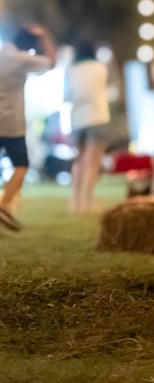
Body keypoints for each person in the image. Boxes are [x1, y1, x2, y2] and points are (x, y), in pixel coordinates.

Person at [0, 23, 56, 231]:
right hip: (10, 125)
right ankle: (4, 204)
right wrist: (45, 35)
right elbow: (51, 62)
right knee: (21, 165)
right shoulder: (20, 59)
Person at [64, 41, 111, 214]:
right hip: (98, 118)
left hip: (77, 120)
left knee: (78, 161)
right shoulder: (100, 68)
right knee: (92, 162)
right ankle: (86, 203)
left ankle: (75, 203)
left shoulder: (71, 70)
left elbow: (66, 96)